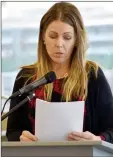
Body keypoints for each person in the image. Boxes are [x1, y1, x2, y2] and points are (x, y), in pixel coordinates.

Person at [6, 2, 113, 143]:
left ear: (76, 40)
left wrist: (97, 139)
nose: (59, 44)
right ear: (43, 37)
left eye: (67, 37)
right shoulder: (27, 77)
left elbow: (111, 130)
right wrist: (20, 137)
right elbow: (13, 131)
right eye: (52, 36)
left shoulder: (92, 74)